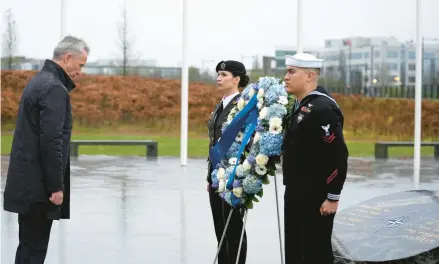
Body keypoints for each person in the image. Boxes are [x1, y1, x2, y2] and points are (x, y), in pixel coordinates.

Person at [3, 35, 89, 264]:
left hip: (27, 184)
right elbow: (51, 142)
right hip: (39, 188)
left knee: (28, 248)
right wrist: (56, 187)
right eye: (80, 65)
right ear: (68, 58)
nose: (80, 72)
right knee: (35, 251)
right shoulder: (54, 89)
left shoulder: (39, 81)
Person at [281, 53, 349, 264]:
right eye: (287, 71)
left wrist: (333, 196)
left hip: (315, 197)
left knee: (314, 254)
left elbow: (337, 154)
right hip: (296, 192)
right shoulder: (301, 105)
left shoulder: (322, 108)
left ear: (310, 76)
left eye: (292, 72)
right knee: (296, 253)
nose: (286, 77)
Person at [207, 60, 250, 264]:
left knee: (232, 229)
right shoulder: (220, 105)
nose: (219, 78)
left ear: (237, 79)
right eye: (218, 74)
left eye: (224, 74)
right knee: (220, 228)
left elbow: (248, 142)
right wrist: (210, 177)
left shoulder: (244, 105)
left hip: (233, 177)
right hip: (217, 176)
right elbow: (213, 142)